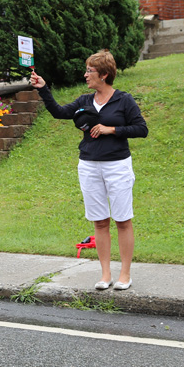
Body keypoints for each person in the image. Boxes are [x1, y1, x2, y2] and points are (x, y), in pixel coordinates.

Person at [30, 50, 148, 291]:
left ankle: (125, 274)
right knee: (100, 222)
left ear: (104, 75)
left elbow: (141, 129)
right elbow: (59, 112)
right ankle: (106, 274)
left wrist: (111, 129)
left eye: (89, 71)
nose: (85, 75)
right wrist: (43, 88)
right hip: (89, 166)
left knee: (123, 220)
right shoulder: (84, 101)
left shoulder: (123, 100)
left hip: (117, 166)